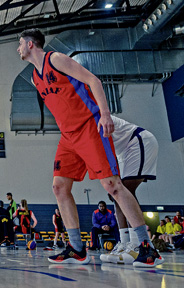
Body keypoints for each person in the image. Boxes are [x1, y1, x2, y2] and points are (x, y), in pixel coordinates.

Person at [17, 29, 163, 267]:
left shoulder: (56, 59)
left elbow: (93, 80)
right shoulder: (35, 77)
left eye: (20, 43)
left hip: (89, 126)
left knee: (112, 185)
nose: (18, 48)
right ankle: (76, 248)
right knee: (59, 187)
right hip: (68, 135)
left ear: (31, 44)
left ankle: (146, 247)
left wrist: (105, 114)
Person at [101, 115, 159, 264]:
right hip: (123, 153)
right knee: (116, 195)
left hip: (138, 141)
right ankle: (125, 243)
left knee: (126, 191)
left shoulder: (93, 114)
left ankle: (138, 244)